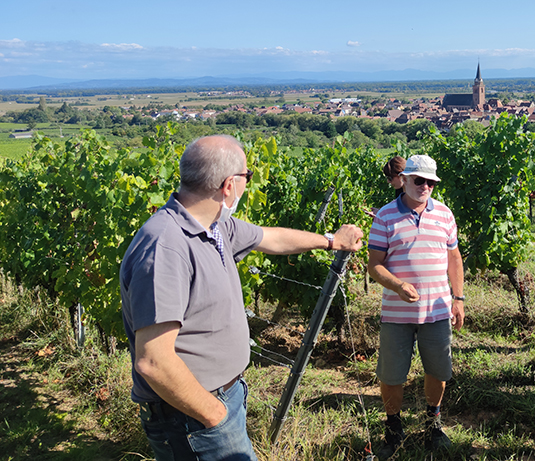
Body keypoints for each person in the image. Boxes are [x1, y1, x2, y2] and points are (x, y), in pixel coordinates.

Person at [120, 135, 364, 461]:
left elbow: (271, 238)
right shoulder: (167, 246)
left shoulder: (215, 226)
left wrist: (331, 241)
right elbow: (153, 362)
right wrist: (214, 415)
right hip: (192, 416)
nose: (248, 183)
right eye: (247, 177)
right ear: (228, 186)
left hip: (220, 399)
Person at [367, 155, 465, 459]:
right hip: (397, 314)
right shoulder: (384, 216)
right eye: (418, 180)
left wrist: (458, 298)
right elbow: (374, 265)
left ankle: (432, 423)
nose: (425, 186)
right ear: (405, 180)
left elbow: (455, 259)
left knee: (438, 370)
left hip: (436, 311)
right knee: (392, 375)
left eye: (430, 182)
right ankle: (393, 428)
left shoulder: (445, 215)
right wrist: (397, 286)